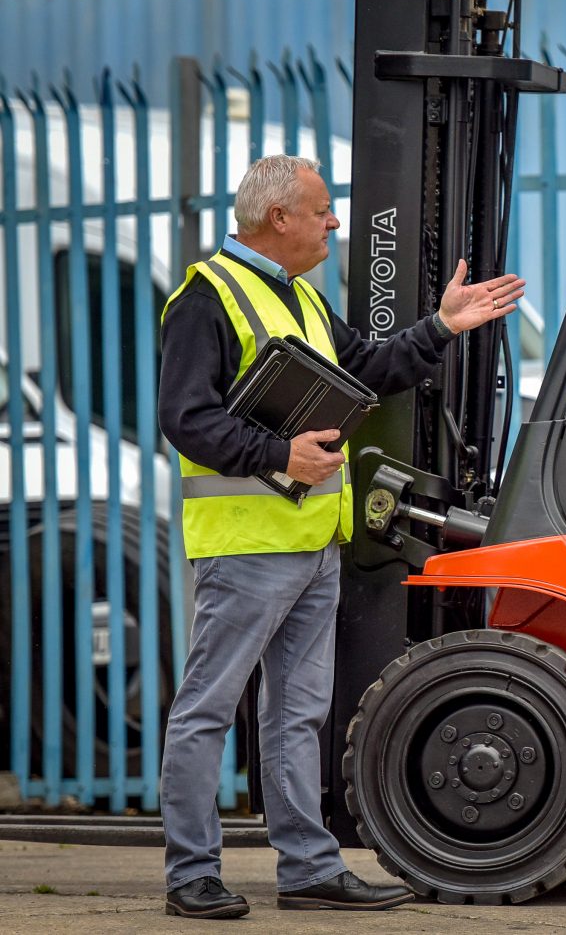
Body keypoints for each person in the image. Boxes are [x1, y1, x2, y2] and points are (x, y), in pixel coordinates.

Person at [157, 155, 524, 918]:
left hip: (314, 540)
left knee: (298, 714)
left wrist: (442, 326)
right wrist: (275, 454)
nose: (334, 223)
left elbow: (367, 367)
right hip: (245, 545)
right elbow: (185, 418)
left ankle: (308, 868)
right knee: (208, 708)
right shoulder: (207, 298)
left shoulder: (300, 299)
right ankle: (191, 873)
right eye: (322, 210)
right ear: (278, 218)